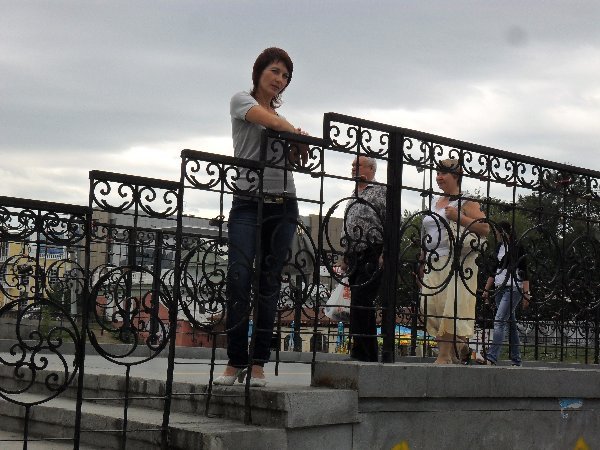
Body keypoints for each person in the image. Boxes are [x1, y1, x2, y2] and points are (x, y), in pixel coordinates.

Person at [214, 47, 308, 387]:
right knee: (239, 277)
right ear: (259, 71)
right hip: (246, 201)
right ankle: (234, 360)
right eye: (275, 71)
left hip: (283, 203)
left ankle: (257, 364)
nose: (279, 79)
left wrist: (298, 144)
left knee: (269, 284)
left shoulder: (283, 120)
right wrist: (292, 131)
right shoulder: (242, 101)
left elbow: (296, 159)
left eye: (285, 76)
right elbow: (270, 122)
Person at [419, 158, 489, 364]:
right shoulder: (435, 201)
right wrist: (422, 258)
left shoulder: (466, 201)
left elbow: (485, 228)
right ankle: (459, 347)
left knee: (448, 309)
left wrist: (460, 217)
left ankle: (444, 356)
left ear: (456, 176)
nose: (438, 177)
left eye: (443, 173)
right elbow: (427, 233)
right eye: (437, 173)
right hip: (433, 261)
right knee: (429, 306)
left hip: (455, 262)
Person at [339, 156, 386, 362]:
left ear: (371, 169)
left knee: (362, 300)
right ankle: (361, 349)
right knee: (357, 301)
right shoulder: (354, 193)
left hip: (372, 251)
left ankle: (365, 353)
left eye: (357, 165)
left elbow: (390, 221)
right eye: (352, 165)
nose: (353, 168)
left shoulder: (380, 191)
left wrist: (386, 252)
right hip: (354, 255)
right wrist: (345, 255)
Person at [478, 221, 530, 366]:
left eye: (496, 231)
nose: (495, 234)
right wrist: (486, 289)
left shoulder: (517, 247)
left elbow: (525, 270)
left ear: (503, 231)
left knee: (499, 320)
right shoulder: (499, 247)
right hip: (499, 287)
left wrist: (526, 293)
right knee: (511, 324)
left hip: (513, 287)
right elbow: (494, 270)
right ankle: (516, 360)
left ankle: (491, 357)